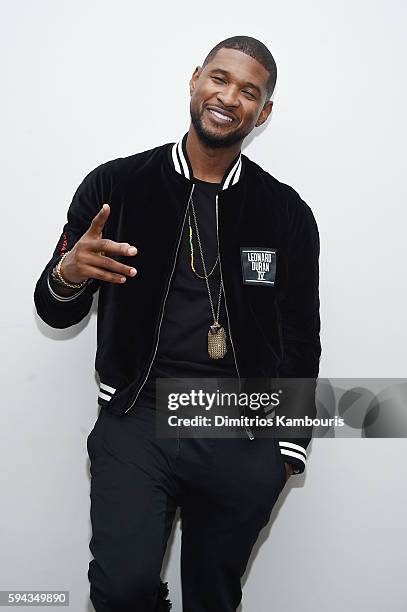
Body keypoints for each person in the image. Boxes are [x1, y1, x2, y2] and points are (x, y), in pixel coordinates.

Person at [34, 35, 321, 612]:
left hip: (242, 426)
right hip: (138, 416)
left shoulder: (285, 211)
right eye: (219, 78)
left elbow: (300, 335)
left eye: (249, 91)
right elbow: (53, 309)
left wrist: (286, 449)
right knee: (122, 590)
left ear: (262, 113)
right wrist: (67, 273)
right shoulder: (116, 186)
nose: (228, 97)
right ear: (195, 80)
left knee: (213, 599)